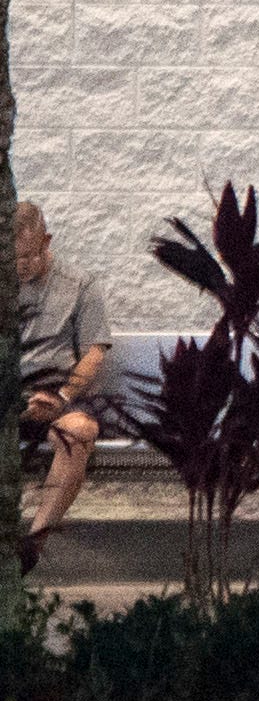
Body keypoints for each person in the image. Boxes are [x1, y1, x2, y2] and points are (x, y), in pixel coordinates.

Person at [15, 202, 108, 558]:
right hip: (9, 395)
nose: (21, 265)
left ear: (47, 241)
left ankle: (34, 541)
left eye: (30, 255)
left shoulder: (80, 285)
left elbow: (95, 351)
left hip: (58, 394)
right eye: (13, 258)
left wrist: (63, 396)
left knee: (78, 432)